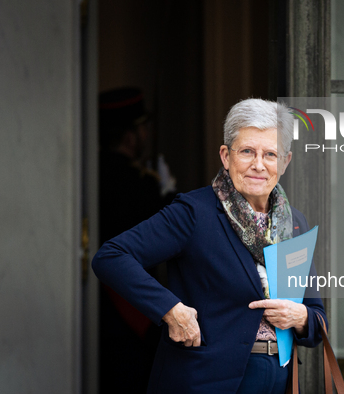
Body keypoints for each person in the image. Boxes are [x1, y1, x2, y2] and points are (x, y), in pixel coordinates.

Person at [92, 98, 328, 393]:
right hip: (207, 380)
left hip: (278, 380)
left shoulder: (294, 222)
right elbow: (112, 256)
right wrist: (170, 309)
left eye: (270, 154)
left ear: (285, 161)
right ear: (226, 156)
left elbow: (317, 320)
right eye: (247, 152)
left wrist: (302, 317)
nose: (259, 164)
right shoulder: (194, 212)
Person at [98, 87, 177, 393]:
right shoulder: (140, 184)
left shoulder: (89, 174)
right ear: (130, 137)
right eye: (143, 128)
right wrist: (168, 193)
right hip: (132, 307)